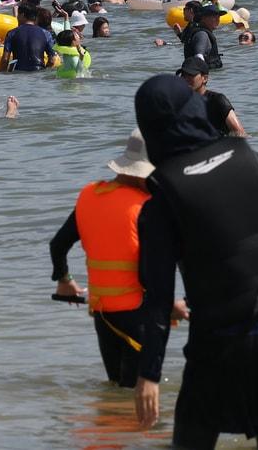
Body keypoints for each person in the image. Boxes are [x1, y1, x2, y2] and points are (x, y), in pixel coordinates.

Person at [131, 75, 258, 448]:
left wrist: (148, 375)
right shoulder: (250, 159)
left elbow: (157, 300)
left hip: (222, 339)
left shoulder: (161, 200)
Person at [50, 130, 185, 388]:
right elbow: (150, 273)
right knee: (136, 393)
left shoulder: (90, 196)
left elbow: (58, 245)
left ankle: (112, 427)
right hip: (139, 317)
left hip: (103, 315)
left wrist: (64, 279)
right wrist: (169, 306)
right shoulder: (147, 208)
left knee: (116, 388)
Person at [177, 56, 246, 136]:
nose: (185, 79)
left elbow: (240, 133)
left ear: (205, 78)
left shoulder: (218, 101)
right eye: (183, 75)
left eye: (190, 75)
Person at [0, 6, 56, 72]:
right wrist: (44, 71)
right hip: (39, 73)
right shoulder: (46, 33)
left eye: (18, 15)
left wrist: (3, 77)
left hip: (19, 74)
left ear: (22, 15)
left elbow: (5, 59)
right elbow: (52, 60)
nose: (17, 18)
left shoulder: (12, 33)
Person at [182, 4, 224, 69]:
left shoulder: (199, 32)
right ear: (203, 18)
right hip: (202, 76)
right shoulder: (202, 34)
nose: (217, 19)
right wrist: (202, 76)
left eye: (218, 17)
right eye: (214, 16)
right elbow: (199, 57)